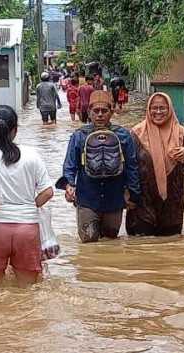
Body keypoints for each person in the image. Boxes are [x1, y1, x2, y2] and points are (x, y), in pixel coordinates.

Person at [0, 105, 54, 286]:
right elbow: (47, 192)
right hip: (26, 229)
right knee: (28, 293)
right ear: (15, 129)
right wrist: (29, 208)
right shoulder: (32, 155)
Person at [60, 91, 142, 243]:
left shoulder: (124, 136)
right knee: (89, 241)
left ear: (111, 112)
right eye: (95, 111)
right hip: (87, 199)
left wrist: (133, 194)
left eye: (104, 111)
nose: (99, 115)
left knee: (110, 242)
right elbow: (70, 165)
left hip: (115, 199)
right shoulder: (79, 136)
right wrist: (69, 185)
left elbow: (132, 167)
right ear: (89, 113)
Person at [126, 93, 184, 236]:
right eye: (154, 108)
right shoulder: (136, 134)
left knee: (171, 248)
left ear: (170, 109)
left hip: (172, 202)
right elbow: (127, 166)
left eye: (163, 108)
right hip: (142, 202)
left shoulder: (182, 133)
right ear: (148, 110)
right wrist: (126, 194)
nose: (158, 112)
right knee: (140, 246)